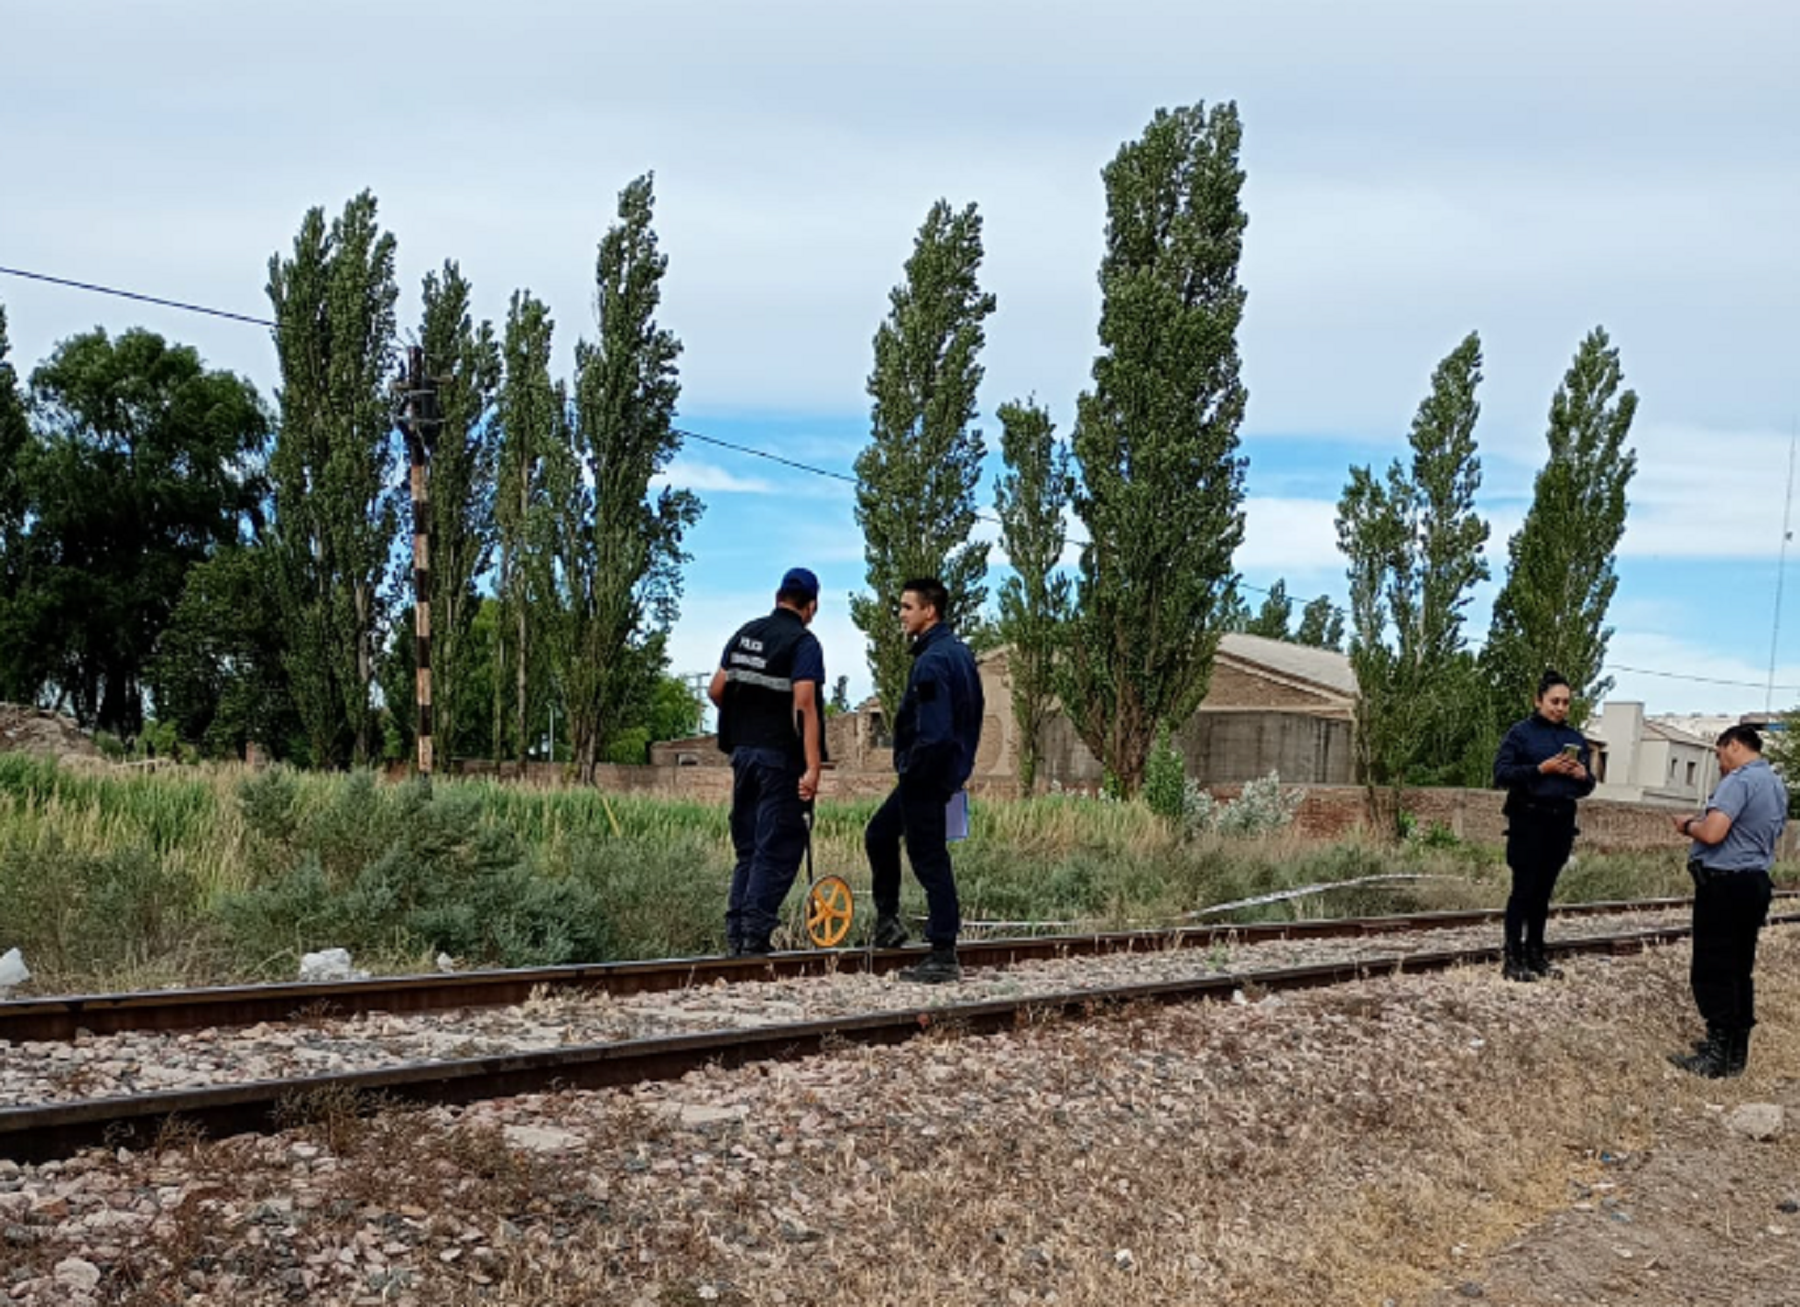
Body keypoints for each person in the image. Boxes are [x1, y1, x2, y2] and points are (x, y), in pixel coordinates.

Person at [864, 577, 984, 984]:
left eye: (906, 607)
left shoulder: (932, 662)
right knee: (880, 834)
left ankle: (943, 952)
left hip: (927, 774)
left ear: (929, 611)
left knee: (929, 858)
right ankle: (888, 923)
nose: (900, 614)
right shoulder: (961, 655)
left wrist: (913, 767)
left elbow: (935, 731)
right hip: (941, 772)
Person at [709, 568, 827, 956]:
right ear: (811, 606)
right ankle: (755, 938)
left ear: (778, 596)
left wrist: (748, 716)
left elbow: (716, 690)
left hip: (742, 755)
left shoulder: (745, 634)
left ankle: (736, 937)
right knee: (776, 845)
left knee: (748, 847)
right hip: (779, 758)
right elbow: (804, 704)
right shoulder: (803, 643)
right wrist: (812, 768)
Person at [1668, 723, 1787, 1078]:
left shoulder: (1739, 781)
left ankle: (1717, 1054)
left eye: (1720, 754)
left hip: (1724, 886)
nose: (1720, 763)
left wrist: (1687, 825)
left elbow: (1714, 831)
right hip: (1754, 883)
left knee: (1712, 969)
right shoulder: (1775, 783)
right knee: (1739, 969)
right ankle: (1736, 1051)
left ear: (1733, 745)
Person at [1492, 669, 1596, 982]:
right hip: (1527, 819)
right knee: (1523, 890)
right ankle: (1513, 957)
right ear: (1539, 700)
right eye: (1555, 701)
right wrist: (1541, 769)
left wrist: (1582, 776)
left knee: (1543, 892)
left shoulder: (1576, 739)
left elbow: (1587, 785)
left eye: (1565, 702)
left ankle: (1536, 954)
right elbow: (1502, 774)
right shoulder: (1520, 734)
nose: (1560, 707)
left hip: (1561, 822)